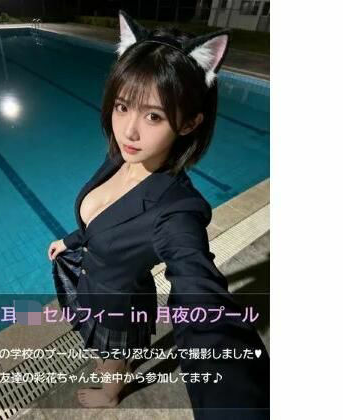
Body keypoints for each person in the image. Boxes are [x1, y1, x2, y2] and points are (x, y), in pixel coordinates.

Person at [48, 10, 269, 418]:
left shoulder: (177, 210)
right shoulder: (121, 157)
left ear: (189, 123)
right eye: (122, 107)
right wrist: (71, 240)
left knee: (112, 358)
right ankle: (114, 371)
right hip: (95, 288)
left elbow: (202, 297)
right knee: (105, 354)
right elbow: (103, 223)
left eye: (153, 116)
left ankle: (112, 394)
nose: (129, 131)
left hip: (118, 309)